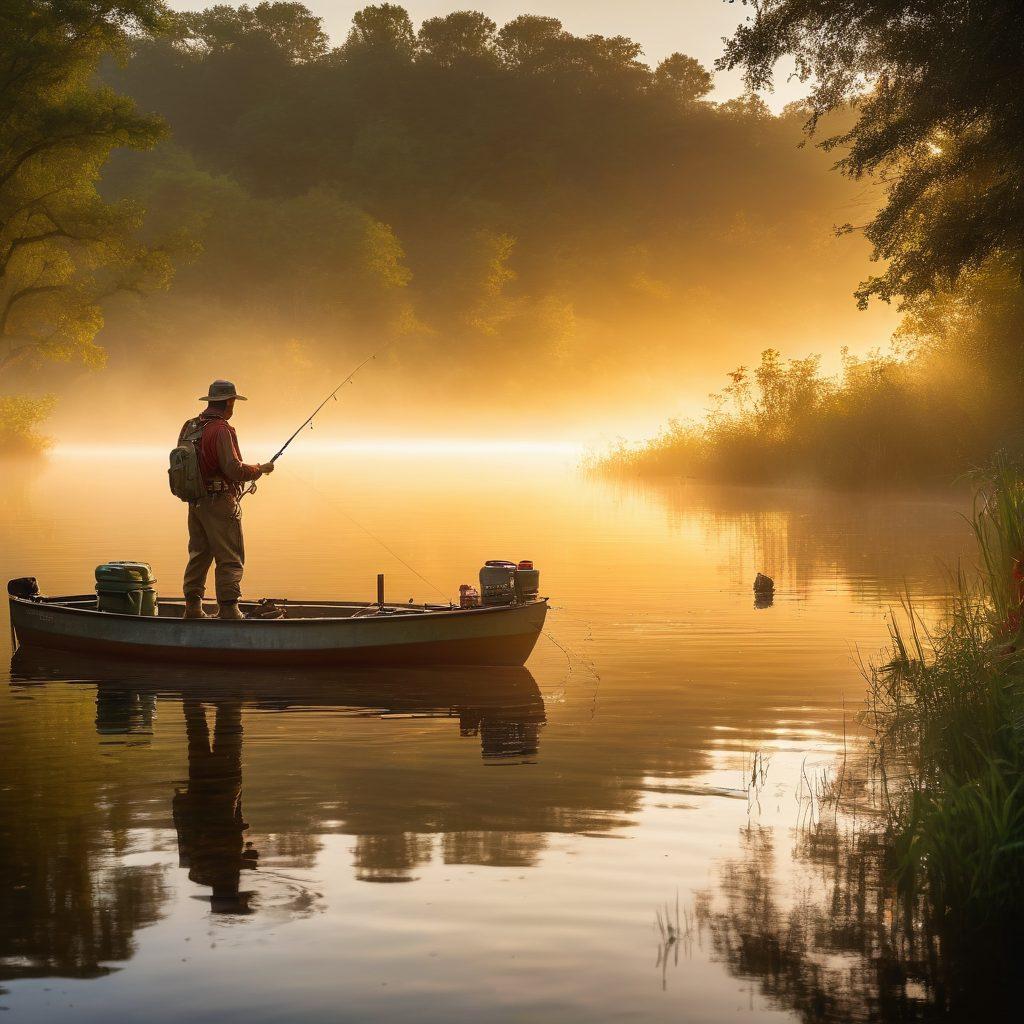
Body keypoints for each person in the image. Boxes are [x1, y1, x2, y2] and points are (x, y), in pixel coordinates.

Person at [179, 380, 274, 619]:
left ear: (211, 401)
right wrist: (259, 469)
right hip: (220, 501)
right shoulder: (221, 429)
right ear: (229, 403)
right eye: (233, 403)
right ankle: (230, 610)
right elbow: (233, 469)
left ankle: (193, 608)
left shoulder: (190, 426)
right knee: (230, 556)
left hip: (195, 500)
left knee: (199, 554)